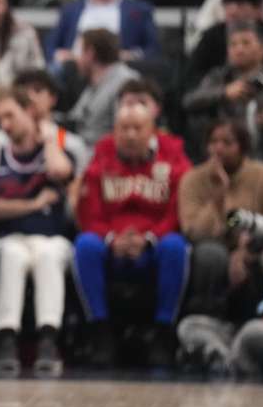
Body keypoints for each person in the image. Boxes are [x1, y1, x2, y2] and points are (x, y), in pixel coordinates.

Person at [74, 104, 192, 367]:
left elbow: (178, 210)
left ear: (151, 131)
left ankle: (163, 333)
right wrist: (110, 239)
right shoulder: (101, 154)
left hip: (154, 244)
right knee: (85, 245)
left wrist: (149, 238)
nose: (130, 135)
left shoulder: (173, 155)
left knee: (176, 246)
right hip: (112, 245)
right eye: (124, 128)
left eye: (137, 128)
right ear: (114, 131)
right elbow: (88, 212)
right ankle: (100, 331)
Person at [0, 89, 77, 378]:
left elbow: (60, 171)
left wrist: (49, 137)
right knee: (12, 255)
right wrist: (33, 204)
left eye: (10, 115)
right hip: (11, 237)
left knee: (48, 255)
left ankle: (49, 340)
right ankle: (6, 339)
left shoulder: (59, 144)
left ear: (30, 113)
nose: (4, 125)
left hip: (51, 237)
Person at [178, 120, 263, 328]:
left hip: (253, 247)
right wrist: (218, 199)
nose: (218, 148)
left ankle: (258, 322)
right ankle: (206, 322)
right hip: (210, 249)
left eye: (227, 143)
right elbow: (193, 231)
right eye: (213, 142)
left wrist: (243, 253)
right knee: (211, 256)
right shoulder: (193, 179)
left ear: (243, 147)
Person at [183, 23, 263, 156]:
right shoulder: (219, 76)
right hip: (224, 149)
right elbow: (189, 101)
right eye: (233, 45)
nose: (239, 49)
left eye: (246, 43)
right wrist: (223, 93)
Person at [66, 29, 142, 147]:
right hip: (80, 147)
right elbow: (74, 120)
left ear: (90, 53)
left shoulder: (126, 81)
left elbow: (126, 131)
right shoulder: (93, 83)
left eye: (78, 52)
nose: (75, 59)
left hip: (103, 155)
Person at [187, 0, 263, 88]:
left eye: (240, 4)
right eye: (227, 4)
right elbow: (193, 76)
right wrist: (222, 92)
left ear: (259, 9)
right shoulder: (212, 37)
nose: (232, 11)